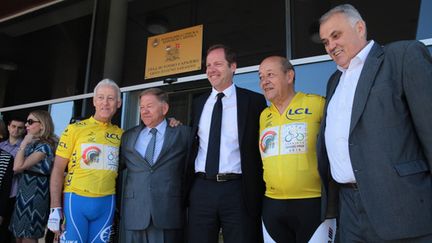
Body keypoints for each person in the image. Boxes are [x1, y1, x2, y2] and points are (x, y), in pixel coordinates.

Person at [317, 4, 432, 242]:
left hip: (401, 207)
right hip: (349, 209)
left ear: (360, 28)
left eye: (335, 35)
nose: (331, 46)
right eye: (325, 41)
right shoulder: (333, 81)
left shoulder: (402, 57)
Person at [186, 44, 267, 243]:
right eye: (208, 65)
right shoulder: (198, 102)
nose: (211, 69)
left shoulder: (253, 101)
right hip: (201, 188)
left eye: (217, 64)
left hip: (237, 189)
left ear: (233, 67)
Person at [258, 56, 325, 242]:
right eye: (261, 77)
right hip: (272, 204)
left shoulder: (317, 104)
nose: (264, 81)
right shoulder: (264, 115)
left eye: (270, 75)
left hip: (312, 202)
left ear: (289, 76)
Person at [48, 79, 123, 243]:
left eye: (110, 98)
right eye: (101, 97)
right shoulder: (74, 129)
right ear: (94, 101)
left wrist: (171, 123)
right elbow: (58, 169)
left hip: (106, 202)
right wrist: (55, 207)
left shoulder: (122, 135)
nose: (105, 103)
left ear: (118, 103)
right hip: (75, 201)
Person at [119, 88, 190, 243]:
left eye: (149, 106)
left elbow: (190, 170)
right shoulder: (128, 136)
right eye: (142, 107)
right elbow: (115, 169)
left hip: (168, 212)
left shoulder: (183, 133)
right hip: (135, 213)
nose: (144, 111)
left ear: (164, 108)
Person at [9, 110, 57, 243]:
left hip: (36, 194)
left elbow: (17, 167)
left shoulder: (45, 146)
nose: (26, 125)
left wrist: (23, 143)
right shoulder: (33, 144)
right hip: (23, 193)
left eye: (30, 122)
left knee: (28, 236)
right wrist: (26, 144)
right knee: (18, 236)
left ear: (42, 125)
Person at [0, 117, 26, 242]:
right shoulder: (1, 145)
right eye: (14, 126)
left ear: (23, 130)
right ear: (8, 127)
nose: (16, 130)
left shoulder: (25, 148)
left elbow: (17, 169)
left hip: (13, 193)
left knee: (6, 231)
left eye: (20, 127)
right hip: (1, 191)